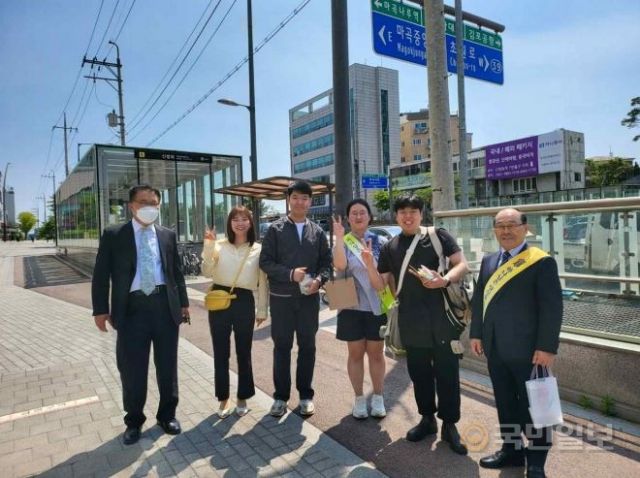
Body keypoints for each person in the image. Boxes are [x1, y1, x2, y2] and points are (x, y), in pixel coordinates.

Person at [371, 194, 469, 455]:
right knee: (420, 374)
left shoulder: (438, 235)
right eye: (402, 211)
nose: (408, 215)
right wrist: (367, 263)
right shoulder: (390, 246)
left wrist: (445, 280)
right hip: (411, 320)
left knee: (448, 374)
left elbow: (462, 264)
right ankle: (427, 419)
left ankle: (450, 425)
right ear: (396, 216)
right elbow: (382, 283)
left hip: (442, 318)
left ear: (421, 213)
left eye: (413, 210)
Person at [92, 185, 190, 445]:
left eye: (155, 203)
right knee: (132, 368)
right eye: (144, 202)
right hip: (131, 310)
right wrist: (100, 309)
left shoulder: (167, 235)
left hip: (164, 307)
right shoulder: (114, 235)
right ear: (131, 206)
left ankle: (167, 414)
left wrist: (184, 303)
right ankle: (134, 420)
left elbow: (176, 273)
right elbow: (101, 275)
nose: (150, 207)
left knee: (167, 365)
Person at [470, 208, 562, 478]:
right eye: (501, 226)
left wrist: (547, 347)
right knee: (505, 402)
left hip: (530, 351)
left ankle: (536, 462)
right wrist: (476, 334)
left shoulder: (540, 261)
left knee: (536, 406)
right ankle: (511, 450)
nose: (506, 231)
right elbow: (479, 301)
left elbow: (552, 308)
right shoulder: (488, 261)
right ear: (494, 230)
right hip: (496, 348)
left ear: (526, 228)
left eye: (512, 225)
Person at [259, 180, 332, 417]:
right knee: (282, 347)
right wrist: (291, 274)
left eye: (305, 198)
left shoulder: (318, 231)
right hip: (281, 299)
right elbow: (265, 262)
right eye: (296, 197)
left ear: (310, 202)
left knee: (308, 347)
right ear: (288, 199)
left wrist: (320, 281)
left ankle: (305, 396)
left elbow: (326, 264)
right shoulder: (275, 229)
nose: (300, 202)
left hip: (309, 300)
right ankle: (280, 397)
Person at [201, 206, 268, 419]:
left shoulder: (258, 248)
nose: (240, 223)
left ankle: (243, 397)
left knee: (244, 352)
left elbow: (263, 282)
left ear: (250, 223)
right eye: (235, 219)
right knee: (220, 352)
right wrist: (209, 245)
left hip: (244, 301)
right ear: (229, 223)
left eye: (244, 219)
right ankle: (223, 399)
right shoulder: (219, 245)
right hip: (220, 299)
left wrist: (262, 309)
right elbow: (207, 271)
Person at [332, 199, 387, 419]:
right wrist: (337, 239)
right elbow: (339, 266)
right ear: (348, 218)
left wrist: (370, 263)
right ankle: (359, 399)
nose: (357, 216)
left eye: (362, 212)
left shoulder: (381, 241)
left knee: (376, 354)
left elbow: (384, 277)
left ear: (369, 217)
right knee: (355, 354)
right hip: (349, 305)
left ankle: (379, 397)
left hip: (376, 305)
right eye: (353, 213)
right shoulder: (343, 242)